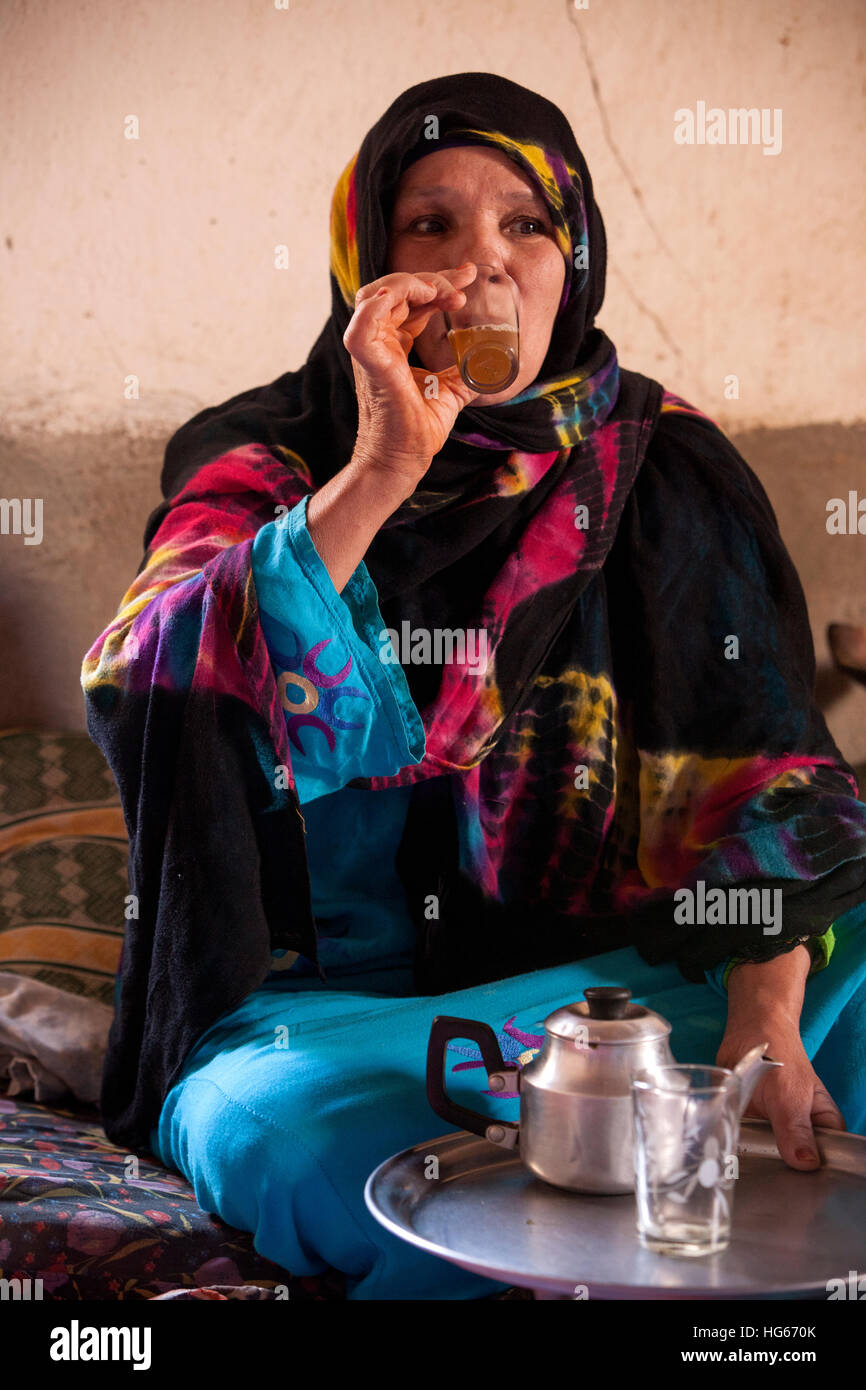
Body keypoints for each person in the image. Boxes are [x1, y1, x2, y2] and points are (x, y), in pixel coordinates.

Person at [81, 72, 866, 1300]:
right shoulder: (261, 458)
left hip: (627, 998)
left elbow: (771, 786)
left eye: (525, 226)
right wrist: (385, 463)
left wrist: (762, 1019)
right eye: (429, 228)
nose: (483, 270)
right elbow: (152, 679)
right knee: (310, 1148)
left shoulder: (663, 463)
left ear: (578, 258)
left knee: (846, 972)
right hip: (340, 1019)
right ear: (365, 275)